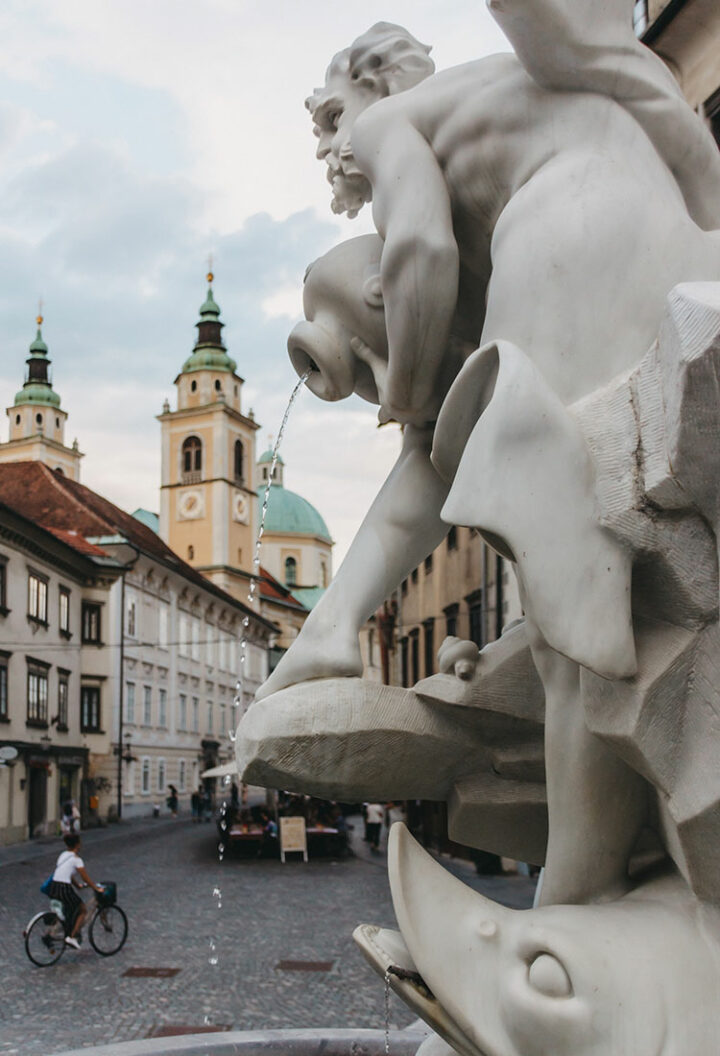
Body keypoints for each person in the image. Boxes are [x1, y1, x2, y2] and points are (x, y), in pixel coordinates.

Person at [48, 833, 104, 949]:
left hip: (54, 886)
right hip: (64, 888)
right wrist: (95, 888)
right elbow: (85, 877)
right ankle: (71, 937)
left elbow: (66, 873)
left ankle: (55, 933)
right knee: (82, 909)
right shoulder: (77, 859)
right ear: (78, 844)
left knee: (67, 911)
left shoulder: (63, 855)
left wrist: (77, 885)